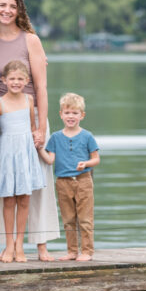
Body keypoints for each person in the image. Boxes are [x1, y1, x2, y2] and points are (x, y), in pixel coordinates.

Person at [0, 0, 59, 261]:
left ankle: (40, 245)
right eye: (2, 5)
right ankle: (8, 245)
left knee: (36, 182)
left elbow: (41, 86)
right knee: (3, 183)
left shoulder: (31, 40)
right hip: (0, 118)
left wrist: (39, 128)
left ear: (19, 10)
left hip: (30, 118)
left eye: (12, 6)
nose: (7, 10)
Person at [0, 60, 45, 263]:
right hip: (7, 154)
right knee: (9, 200)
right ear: (4, 80)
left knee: (24, 199)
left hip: (25, 154)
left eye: (20, 79)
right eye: (12, 79)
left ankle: (20, 243)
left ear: (27, 80)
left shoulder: (29, 100)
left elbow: (31, 126)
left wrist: (37, 141)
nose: (16, 82)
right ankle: (9, 244)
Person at [37, 92, 100, 262]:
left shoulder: (87, 136)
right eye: (67, 113)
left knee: (85, 219)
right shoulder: (56, 137)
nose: (70, 116)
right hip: (63, 183)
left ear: (82, 115)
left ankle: (87, 251)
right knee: (68, 219)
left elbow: (96, 159)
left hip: (83, 181)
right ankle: (72, 251)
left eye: (74, 113)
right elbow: (50, 160)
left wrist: (85, 164)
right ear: (61, 114)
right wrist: (39, 149)